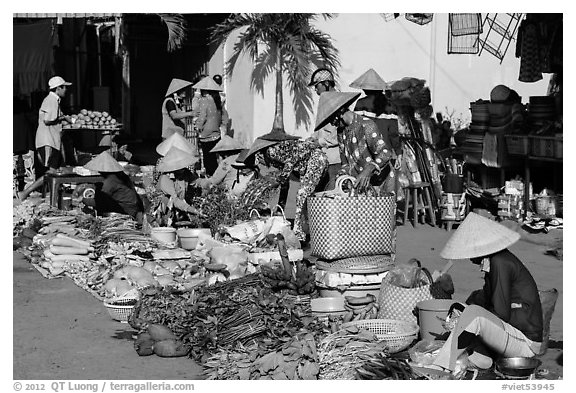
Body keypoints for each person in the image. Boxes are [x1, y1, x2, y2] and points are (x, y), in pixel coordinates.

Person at [431, 212, 543, 373]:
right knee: (469, 308)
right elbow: (486, 301)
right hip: (511, 335)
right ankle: (478, 358)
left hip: (525, 344)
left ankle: (439, 367)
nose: (469, 257)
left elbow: (500, 313)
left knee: (473, 314)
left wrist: (468, 315)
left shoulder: (501, 262)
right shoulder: (496, 261)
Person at [242, 131, 328, 242]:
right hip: (306, 165)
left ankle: (299, 233)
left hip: (316, 160)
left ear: (259, 155)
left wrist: (281, 179)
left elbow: (291, 162)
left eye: (259, 162)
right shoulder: (274, 156)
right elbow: (285, 182)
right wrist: (279, 205)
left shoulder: (271, 152)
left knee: (302, 194)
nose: (262, 165)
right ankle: (304, 230)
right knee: (304, 198)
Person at [314, 91, 393, 191]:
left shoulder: (366, 125)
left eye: (332, 119)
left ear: (340, 112)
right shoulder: (341, 132)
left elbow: (385, 153)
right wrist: (341, 176)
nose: (332, 124)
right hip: (359, 185)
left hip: (379, 183)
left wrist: (369, 169)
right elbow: (345, 163)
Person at [19, 76, 73, 201]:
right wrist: (63, 118)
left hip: (51, 140)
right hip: (48, 141)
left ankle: (55, 197)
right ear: (58, 88)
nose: (66, 90)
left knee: (58, 170)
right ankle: (26, 192)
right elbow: (48, 120)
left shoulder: (53, 100)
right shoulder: (51, 101)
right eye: (64, 87)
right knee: (52, 172)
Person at [349, 68, 403, 167]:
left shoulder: (361, 103)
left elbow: (356, 130)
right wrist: (399, 153)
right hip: (385, 153)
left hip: (366, 154)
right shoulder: (391, 106)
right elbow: (394, 134)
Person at [78, 151, 144, 222]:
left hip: (127, 210)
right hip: (133, 207)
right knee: (99, 186)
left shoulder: (111, 180)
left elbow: (100, 201)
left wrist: (84, 200)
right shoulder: (120, 175)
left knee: (99, 192)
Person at [307, 68, 341, 191]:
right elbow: (321, 128)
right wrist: (312, 138)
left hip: (335, 159)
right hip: (323, 157)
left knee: (331, 194)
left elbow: (339, 133)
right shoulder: (324, 102)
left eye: (317, 86)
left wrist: (320, 142)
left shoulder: (338, 102)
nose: (315, 89)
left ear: (326, 84)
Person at [192, 76, 229, 176]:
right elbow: (224, 116)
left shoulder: (204, 100)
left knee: (208, 160)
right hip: (216, 132)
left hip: (206, 134)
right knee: (216, 158)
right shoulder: (217, 100)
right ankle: (219, 176)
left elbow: (202, 116)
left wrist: (197, 126)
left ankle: (212, 179)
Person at [155, 146, 203, 223]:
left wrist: (211, 183)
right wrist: (193, 210)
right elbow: (175, 200)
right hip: (166, 210)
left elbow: (197, 181)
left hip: (181, 206)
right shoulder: (166, 178)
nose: (183, 168)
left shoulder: (185, 172)